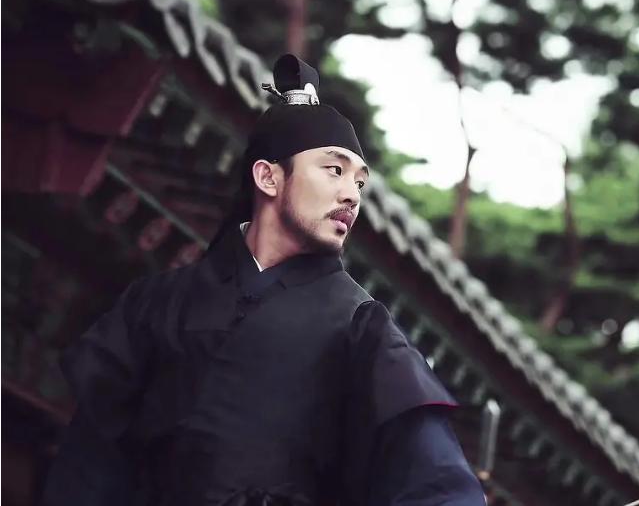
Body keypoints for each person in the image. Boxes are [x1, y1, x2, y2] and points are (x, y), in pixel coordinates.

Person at [41, 54, 485, 506]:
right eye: (334, 170)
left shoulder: (360, 327)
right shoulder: (158, 303)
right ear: (268, 177)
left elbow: (440, 488)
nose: (351, 195)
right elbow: (88, 465)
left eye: (360, 183)